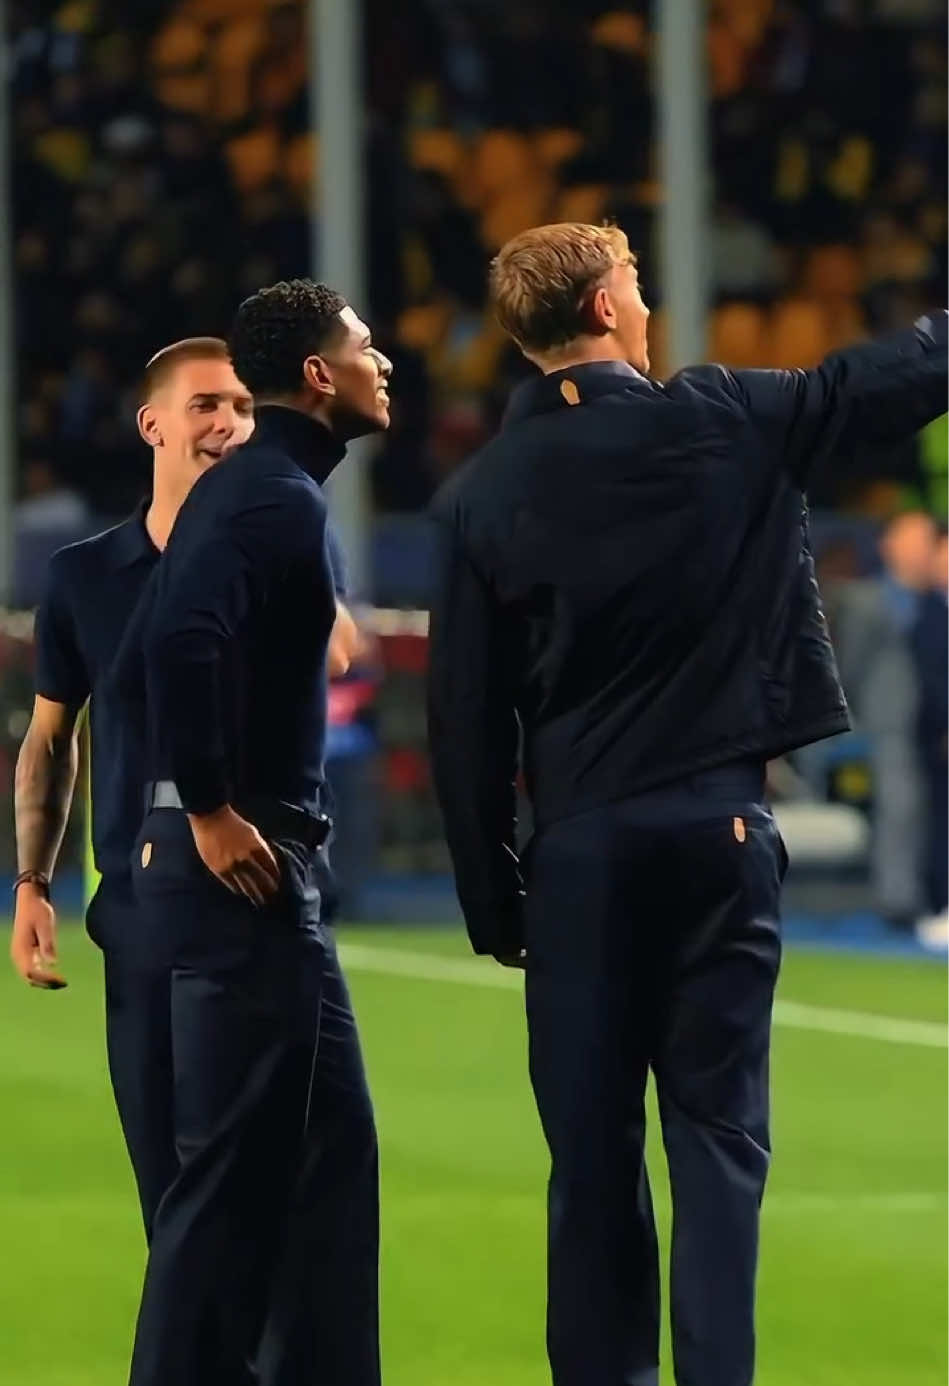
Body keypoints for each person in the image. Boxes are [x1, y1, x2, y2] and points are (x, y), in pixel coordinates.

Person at [426, 221, 947, 1386]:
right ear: (605, 307)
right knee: (717, 1146)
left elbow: (466, 721)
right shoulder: (720, 416)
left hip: (576, 856)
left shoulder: (477, 496)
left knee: (591, 1161)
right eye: (637, 286)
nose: (648, 306)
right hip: (719, 834)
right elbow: (877, 382)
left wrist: (494, 900)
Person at [118, 279, 392, 1386]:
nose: (384, 363)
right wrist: (210, 807)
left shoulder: (258, 493)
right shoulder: (274, 497)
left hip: (261, 875)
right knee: (228, 1187)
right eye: (365, 347)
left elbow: (163, 641)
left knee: (332, 1160)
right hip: (242, 872)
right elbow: (175, 643)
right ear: (319, 375)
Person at [10, 338, 255, 1242]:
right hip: (140, 919)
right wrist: (33, 885)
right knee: (170, 1202)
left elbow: (342, 654)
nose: (229, 423)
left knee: (269, 1203)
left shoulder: (276, 559)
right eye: (206, 405)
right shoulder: (85, 576)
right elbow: (51, 738)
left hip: (258, 910)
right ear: (153, 424)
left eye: (243, 406)